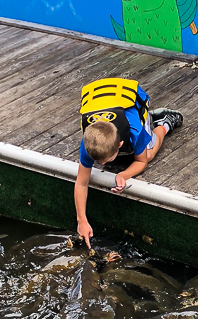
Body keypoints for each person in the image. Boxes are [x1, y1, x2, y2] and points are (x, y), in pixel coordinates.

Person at [75, 78, 183, 247]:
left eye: (106, 159)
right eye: (98, 160)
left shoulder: (134, 132)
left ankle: (164, 123)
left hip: (135, 102)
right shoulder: (87, 144)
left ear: (120, 144)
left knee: (149, 153)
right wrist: (81, 220)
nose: (102, 164)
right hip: (106, 98)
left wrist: (124, 174)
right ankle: (154, 119)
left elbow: (141, 162)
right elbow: (81, 183)